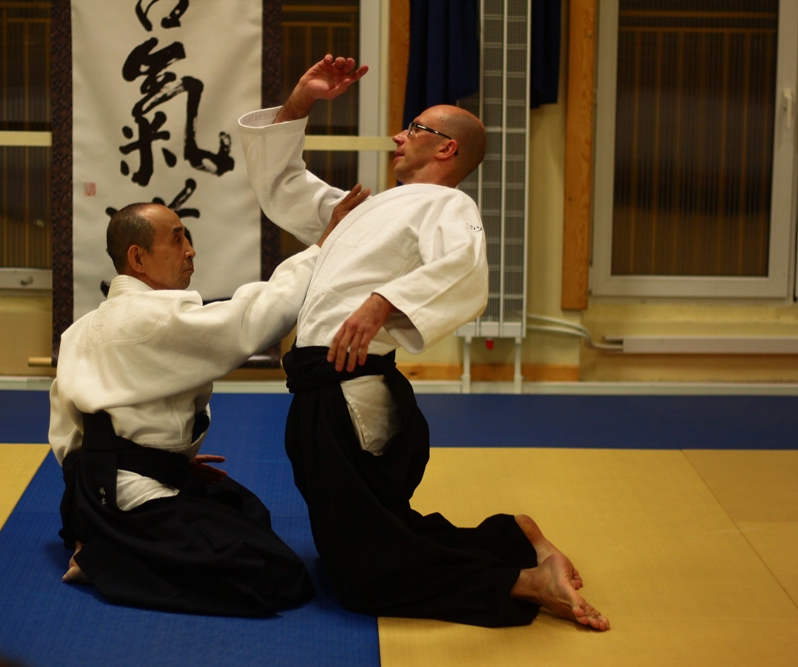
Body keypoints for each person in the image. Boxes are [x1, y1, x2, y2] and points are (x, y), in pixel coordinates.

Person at [238, 55, 609, 630]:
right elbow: (283, 187)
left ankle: (523, 580)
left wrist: (382, 302)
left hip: (347, 388)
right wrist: (301, 101)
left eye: (414, 128)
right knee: (373, 534)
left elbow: (465, 268)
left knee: (363, 575)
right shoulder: (364, 209)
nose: (397, 136)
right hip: (319, 388)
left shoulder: (448, 204)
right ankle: (512, 540)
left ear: (446, 149)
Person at [47, 194, 364, 616]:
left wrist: (158, 456)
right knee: (276, 577)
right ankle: (105, 560)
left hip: (89, 491)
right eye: (177, 239)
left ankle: (97, 531)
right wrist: (320, 250)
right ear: (138, 258)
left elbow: (71, 431)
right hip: (127, 494)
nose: (191, 250)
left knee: (246, 509)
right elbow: (252, 318)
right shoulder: (153, 317)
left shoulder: (81, 329)